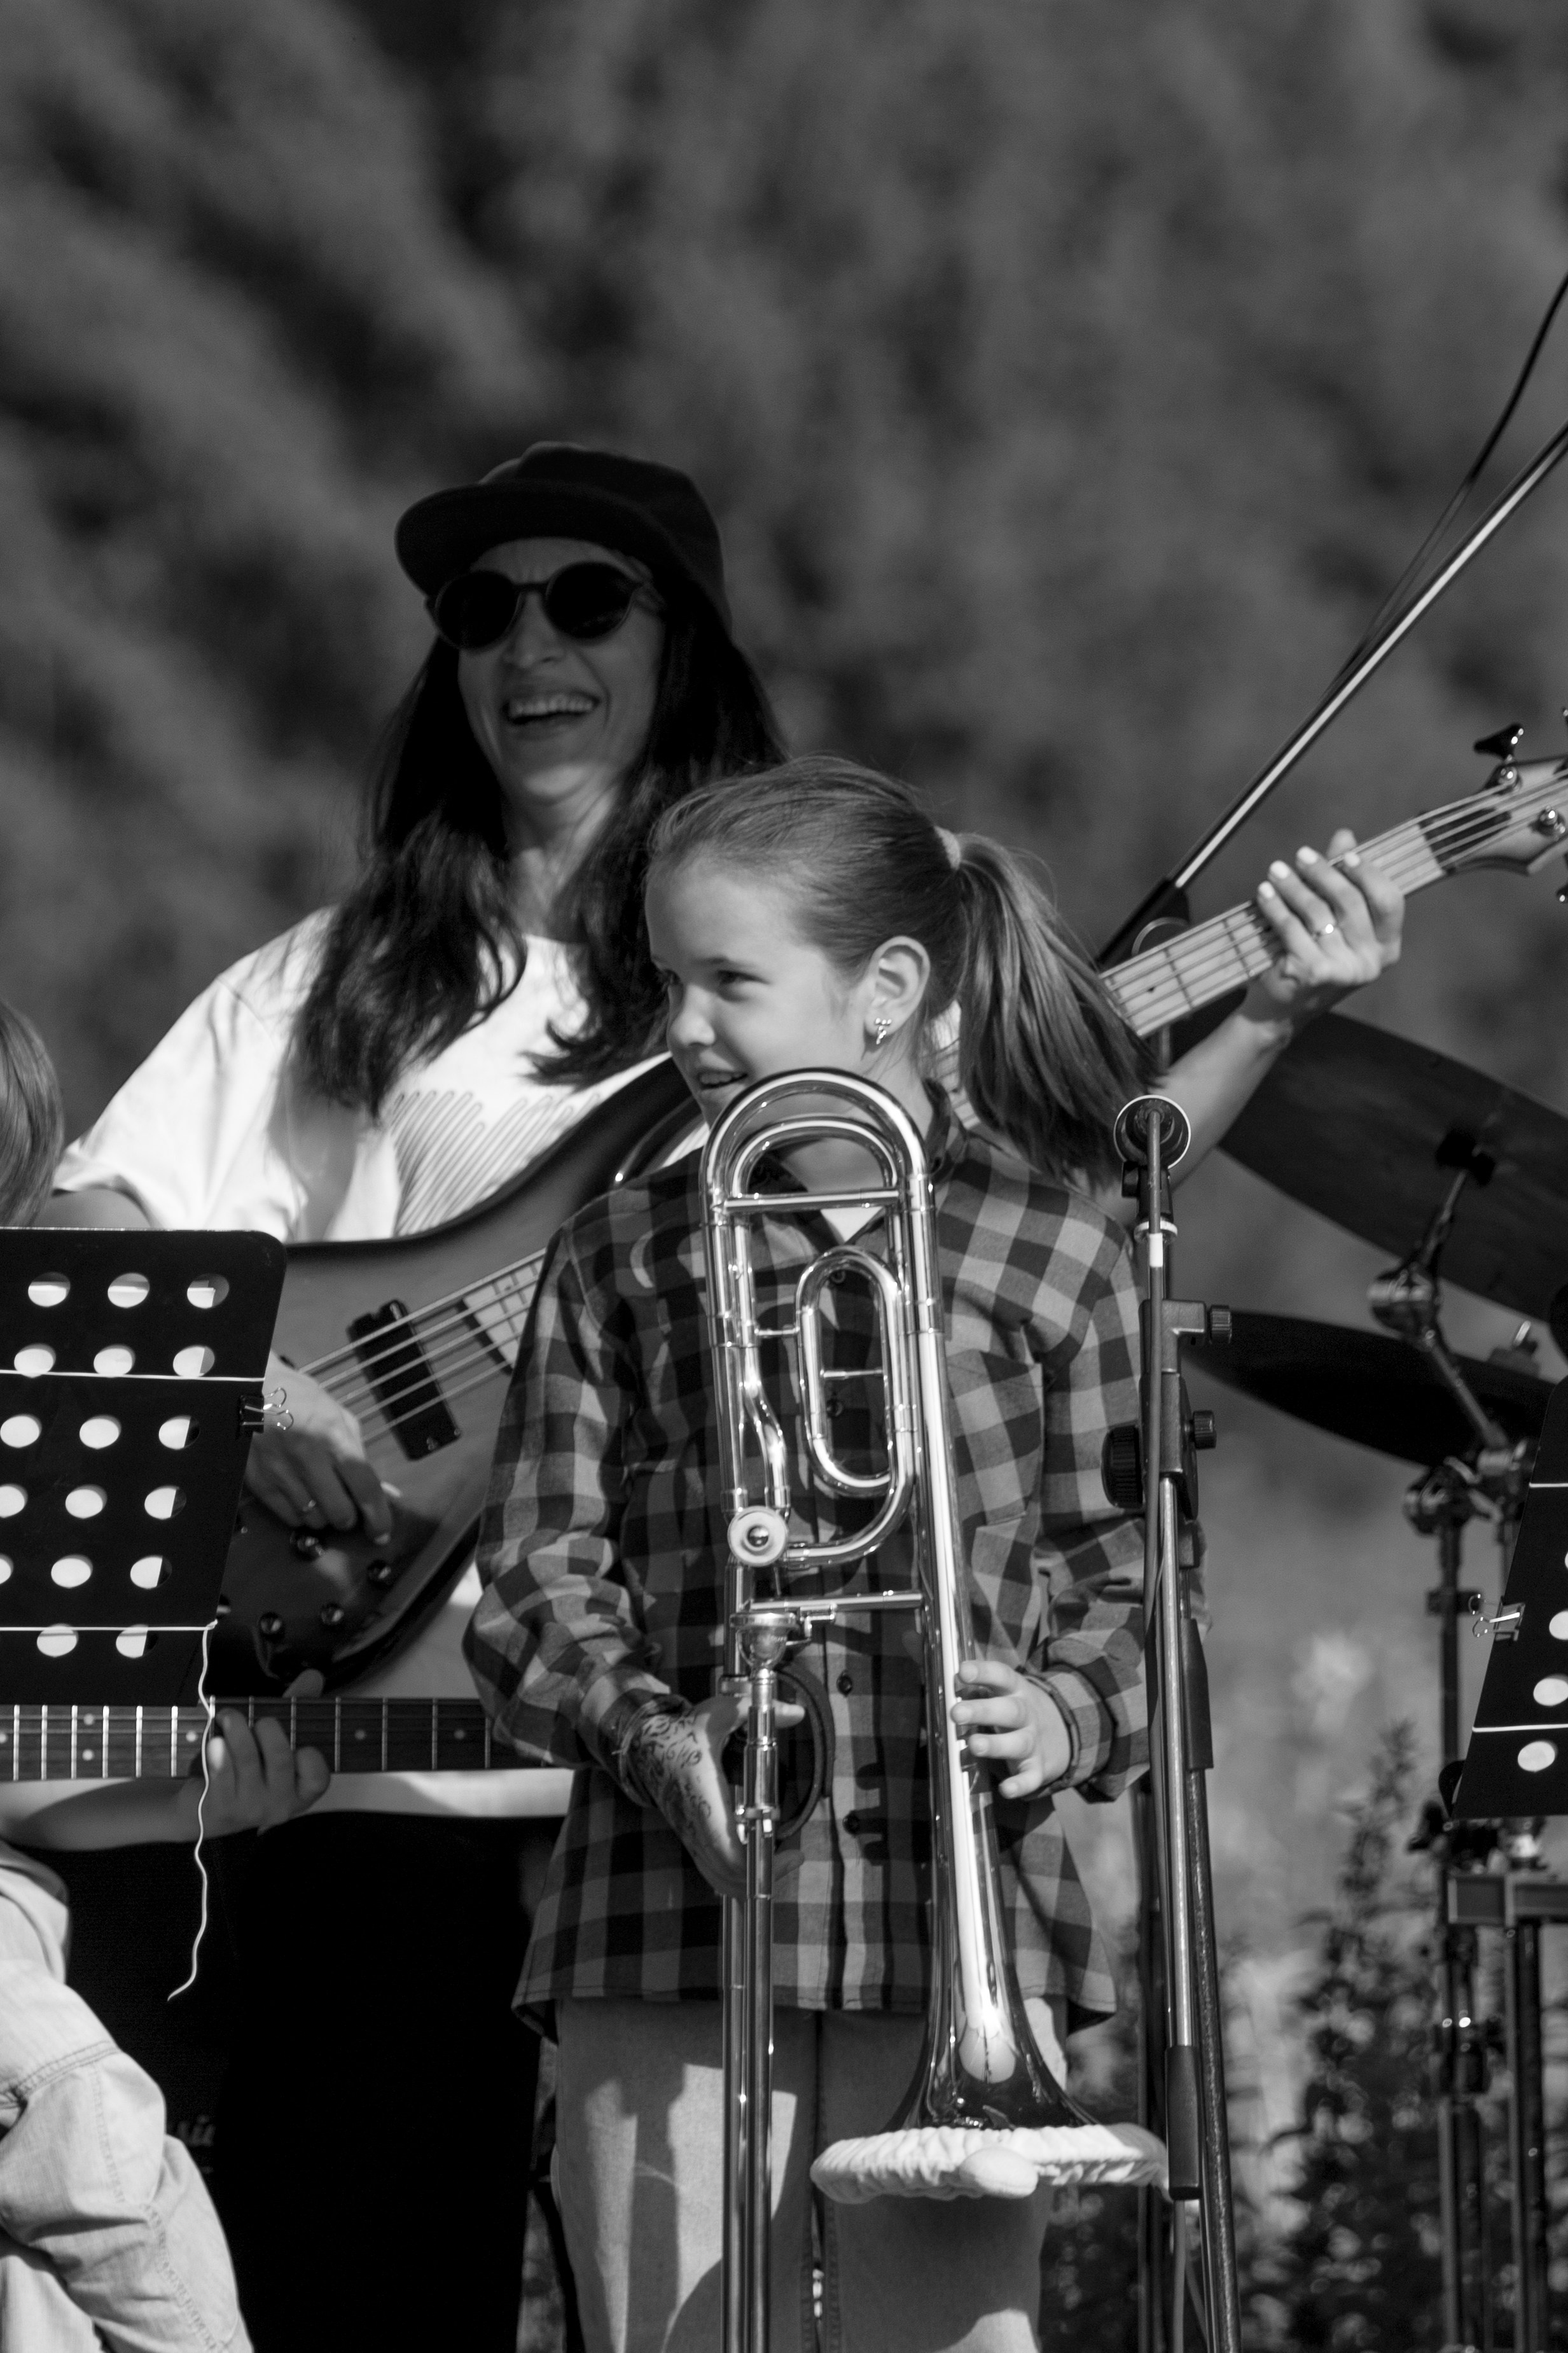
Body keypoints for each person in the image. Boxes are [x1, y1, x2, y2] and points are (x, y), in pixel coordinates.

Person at [43, 442, 1401, 2347]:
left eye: (587, 600)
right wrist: (256, 1393)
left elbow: (1042, 1238)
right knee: (378, 2272)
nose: (530, 645)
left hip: (791, 1799)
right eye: (483, 610)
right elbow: (89, 1217)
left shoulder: (781, 936)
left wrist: (1264, 1012)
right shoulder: (352, 968)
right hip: (403, 1752)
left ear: (682, 640)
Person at [0, 998, 326, 2353]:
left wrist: (197, 1799)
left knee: (47, 2268)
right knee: (87, 2126)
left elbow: (13, 1775)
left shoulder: (48, 1398)